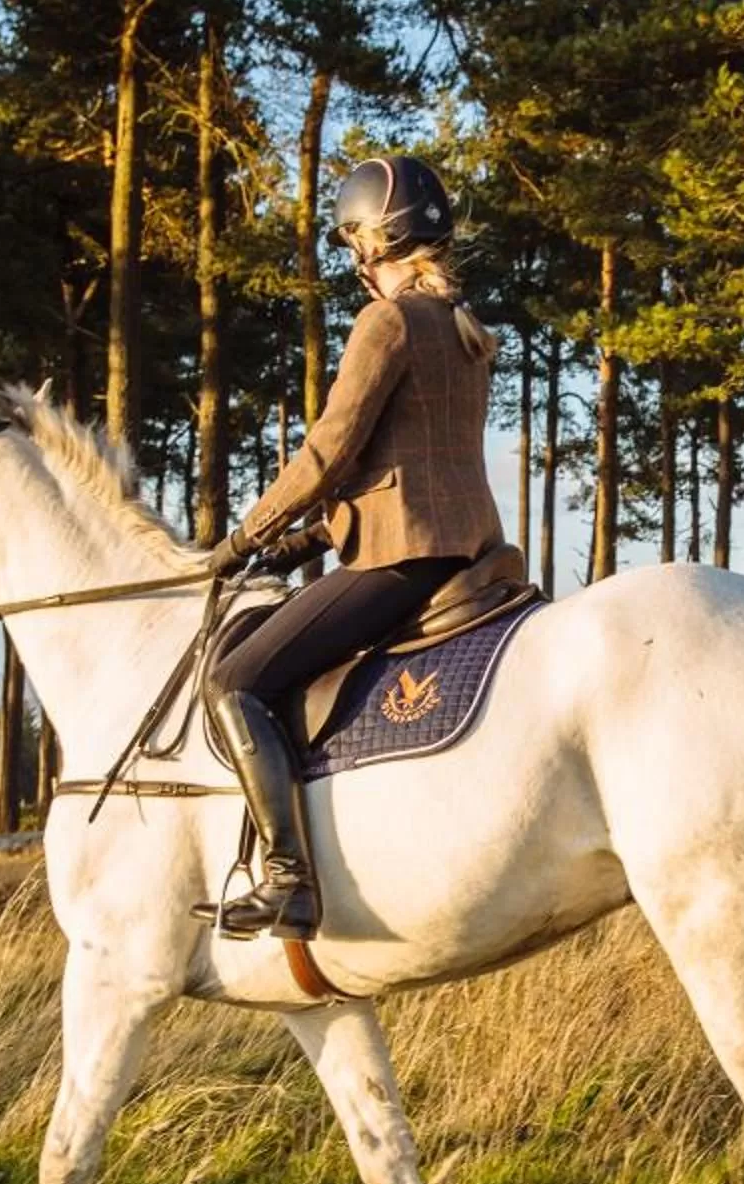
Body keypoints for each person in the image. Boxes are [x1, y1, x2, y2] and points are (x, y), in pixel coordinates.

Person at [195, 154, 512, 941]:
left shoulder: (389, 320)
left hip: (403, 559)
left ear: (376, 241)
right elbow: (399, 471)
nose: (351, 262)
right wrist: (303, 538)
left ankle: (287, 880)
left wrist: (243, 537)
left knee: (235, 681)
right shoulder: (464, 329)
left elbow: (329, 454)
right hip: (462, 548)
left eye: (352, 244)